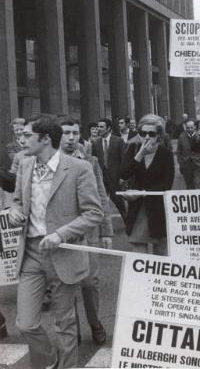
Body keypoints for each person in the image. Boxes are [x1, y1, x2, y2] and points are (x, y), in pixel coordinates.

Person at [9, 115, 103, 368]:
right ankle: (49, 361)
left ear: (46, 138)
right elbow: (17, 201)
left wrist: (61, 233)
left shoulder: (78, 168)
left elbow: (94, 213)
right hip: (30, 253)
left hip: (64, 253)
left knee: (64, 323)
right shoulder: (25, 165)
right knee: (25, 323)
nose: (22, 139)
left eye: (28, 135)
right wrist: (15, 212)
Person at [59, 118, 113, 345]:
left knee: (90, 283)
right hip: (61, 232)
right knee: (65, 283)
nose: (71, 137)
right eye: (66, 133)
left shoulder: (91, 161)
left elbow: (101, 195)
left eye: (75, 132)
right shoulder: (49, 162)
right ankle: (73, 328)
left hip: (88, 231)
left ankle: (95, 322)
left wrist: (106, 231)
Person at [121, 114, 174, 255]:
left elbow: (167, 183)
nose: (146, 137)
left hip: (157, 208)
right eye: (142, 133)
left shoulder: (166, 154)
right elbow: (124, 174)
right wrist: (140, 155)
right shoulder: (133, 150)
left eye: (151, 134)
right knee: (139, 250)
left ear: (159, 135)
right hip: (137, 209)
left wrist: (142, 193)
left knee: (161, 253)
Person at [92, 118, 127, 220]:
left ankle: (128, 222)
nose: (99, 129)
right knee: (100, 202)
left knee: (119, 202)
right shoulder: (96, 143)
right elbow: (95, 161)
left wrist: (123, 177)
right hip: (102, 178)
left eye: (101, 127)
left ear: (108, 128)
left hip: (115, 178)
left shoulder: (118, 141)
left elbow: (124, 160)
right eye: (98, 126)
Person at [177, 119, 200, 189]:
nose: (190, 129)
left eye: (191, 127)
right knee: (189, 184)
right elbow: (179, 151)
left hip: (198, 164)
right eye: (188, 128)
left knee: (197, 183)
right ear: (185, 128)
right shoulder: (181, 136)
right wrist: (181, 163)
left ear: (195, 127)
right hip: (186, 164)